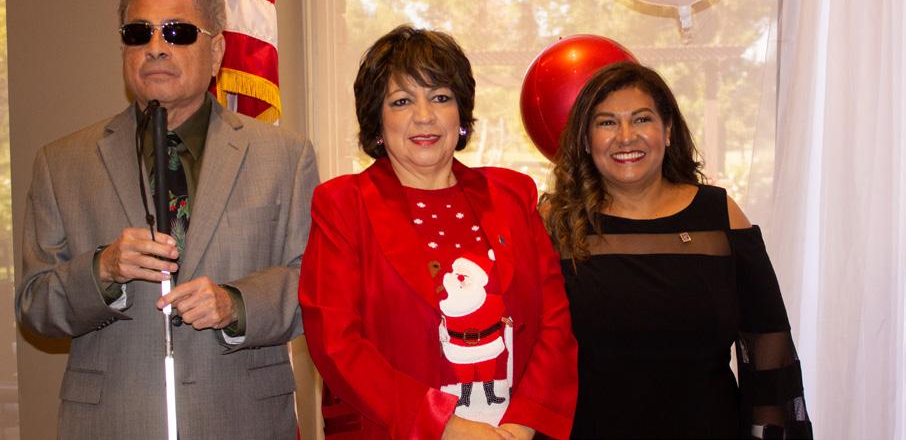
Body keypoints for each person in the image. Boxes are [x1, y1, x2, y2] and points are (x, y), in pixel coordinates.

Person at [15, 0, 318, 439]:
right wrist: (102, 270)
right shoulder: (61, 163)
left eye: (177, 32)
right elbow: (35, 305)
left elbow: (313, 287)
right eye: (139, 33)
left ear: (216, 52)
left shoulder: (285, 156)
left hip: (243, 420)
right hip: (112, 422)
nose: (156, 47)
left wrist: (235, 303)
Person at [299, 25, 577, 439]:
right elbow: (336, 345)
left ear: (461, 114)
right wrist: (444, 426)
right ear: (377, 121)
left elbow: (554, 322)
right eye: (401, 101)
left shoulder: (512, 196)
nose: (424, 115)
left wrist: (523, 425)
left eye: (441, 97)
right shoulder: (342, 205)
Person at [542, 62, 812, 439]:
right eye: (606, 123)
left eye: (641, 119)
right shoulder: (553, 222)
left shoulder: (721, 215)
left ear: (667, 130)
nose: (625, 137)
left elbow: (768, 343)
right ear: (586, 140)